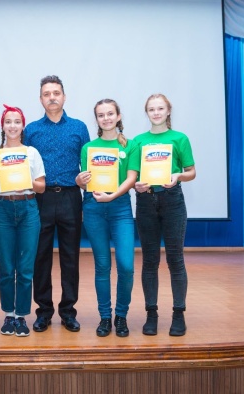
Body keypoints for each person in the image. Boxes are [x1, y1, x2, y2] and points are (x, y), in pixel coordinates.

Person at [22, 75, 90, 333]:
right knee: (40, 257)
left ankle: (68, 312)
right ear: (41, 99)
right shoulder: (31, 130)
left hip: (71, 197)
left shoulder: (79, 127)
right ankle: (44, 312)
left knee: (70, 257)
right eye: (47, 94)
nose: (52, 97)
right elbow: (23, 165)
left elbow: (90, 163)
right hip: (40, 198)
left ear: (64, 96)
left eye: (56, 93)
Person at [75, 99, 139, 337]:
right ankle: (105, 317)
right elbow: (87, 181)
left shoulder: (131, 145)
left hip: (120, 208)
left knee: (126, 266)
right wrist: (80, 181)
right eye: (101, 115)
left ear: (118, 116)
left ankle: (121, 316)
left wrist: (112, 196)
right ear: (97, 120)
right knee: (102, 266)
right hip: (94, 208)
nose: (106, 118)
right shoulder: (88, 148)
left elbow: (131, 178)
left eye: (110, 114)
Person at [133, 93, 196, 337]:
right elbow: (133, 175)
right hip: (146, 202)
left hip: (172, 201)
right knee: (150, 261)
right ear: (146, 112)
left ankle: (178, 313)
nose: (156, 113)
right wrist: (137, 185)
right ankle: (151, 314)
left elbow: (191, 172)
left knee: (175, 259)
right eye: (151, 109)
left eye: (160, 108)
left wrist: (178, 176)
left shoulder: (180, 138)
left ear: (168, 111)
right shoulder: (138, 141)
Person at [0, 104, 46, 337]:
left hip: (28, 208)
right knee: (7, 267)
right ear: (2, 126)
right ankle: (8, 315)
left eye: (17, 122)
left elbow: (41, 187)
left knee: (26, 267)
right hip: (3, 210)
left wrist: (26, 180)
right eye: (8, 122)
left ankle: (21, 316)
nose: (12, 126)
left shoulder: (32, 153)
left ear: (23, 126)